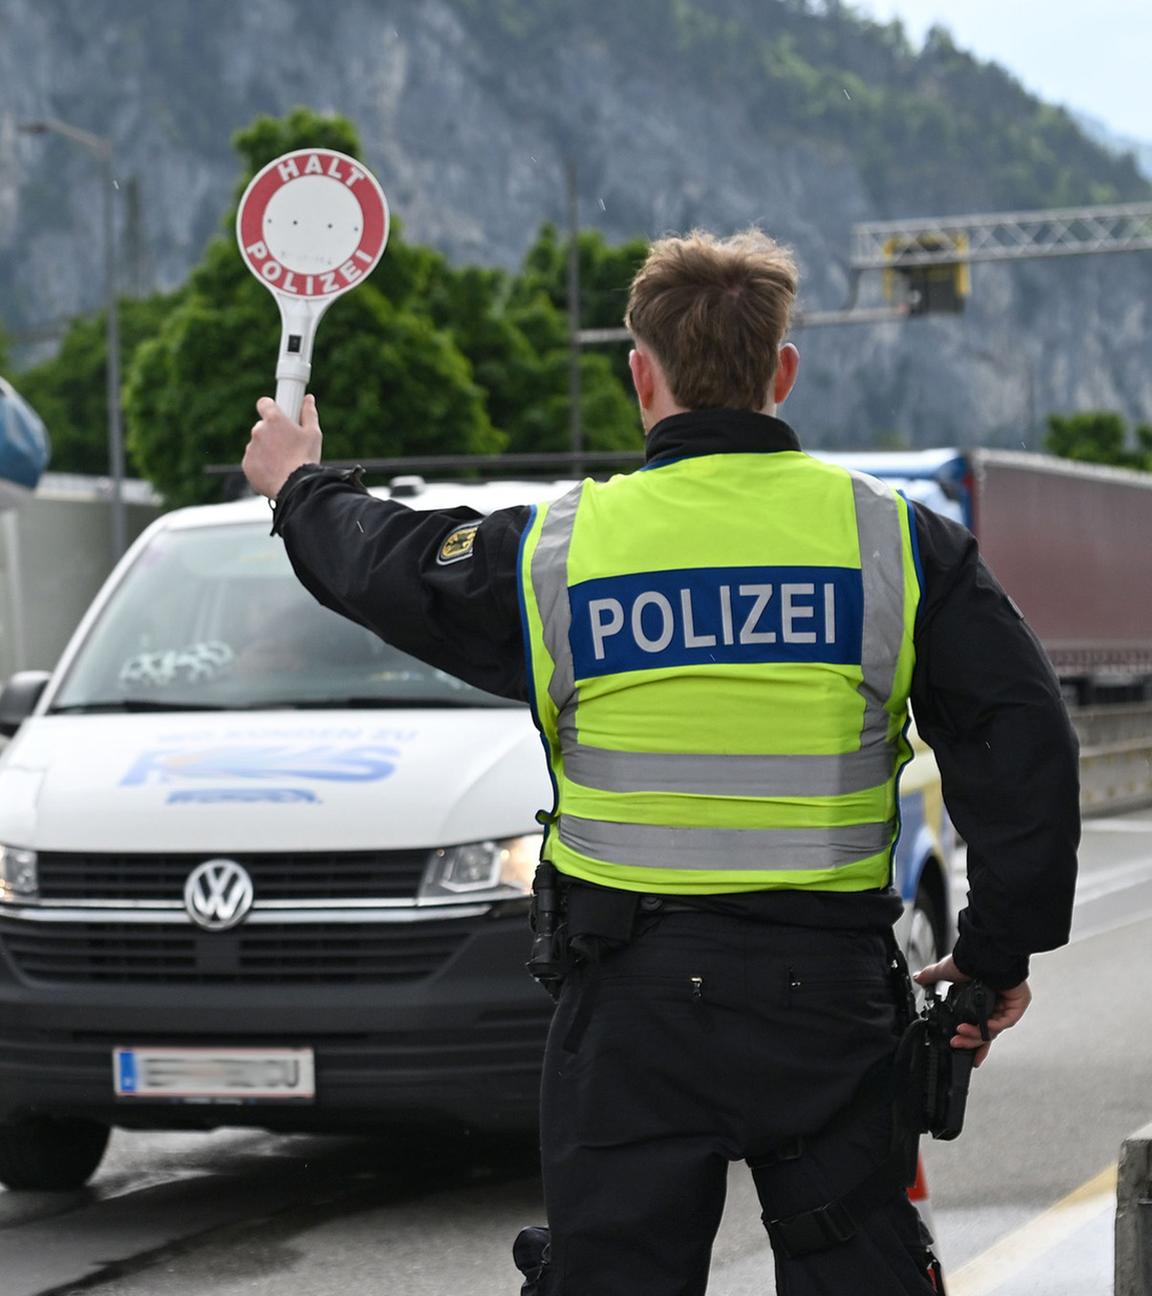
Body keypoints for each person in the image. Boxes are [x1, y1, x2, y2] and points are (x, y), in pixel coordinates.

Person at [242, 228, 1079, 1295]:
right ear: (783, 373)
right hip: (825, 1009)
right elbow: (1023, 744)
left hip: (628, 1010)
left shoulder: (560, 549)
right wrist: (996, 959)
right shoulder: (896, 545)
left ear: (642, 375)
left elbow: (387, 564)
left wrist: (298, 486)